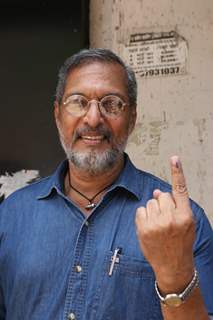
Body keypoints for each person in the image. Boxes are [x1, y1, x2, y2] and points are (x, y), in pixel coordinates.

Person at [0, 48, 212, 320]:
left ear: (132, 117)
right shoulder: (11, 216)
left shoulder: (180, 223)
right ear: (57, 114)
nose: (93, 119)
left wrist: (176, 276)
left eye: (111, 104)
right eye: (78, 102)